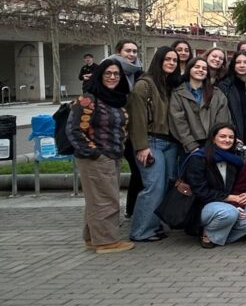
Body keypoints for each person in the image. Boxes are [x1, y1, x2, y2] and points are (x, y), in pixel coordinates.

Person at [68, 58, 133, 254]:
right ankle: (106, 242)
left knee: (96, 199)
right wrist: (93, 152)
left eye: (116, 74)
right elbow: (74, 130)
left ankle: (92, 237)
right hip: (97, 157)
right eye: (108, 73)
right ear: (99, 75)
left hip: (112, 155)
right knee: (107, 199)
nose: (112, 77)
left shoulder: (115, 98)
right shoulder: (88, 99)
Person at [127, 47, 182, 242]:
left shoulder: (171, 85)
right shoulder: (144, 85)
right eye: (167, 59)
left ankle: (154, 225)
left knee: (166, 186)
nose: (171, 63)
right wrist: (141, 146)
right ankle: (140, 231)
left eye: (174, 61)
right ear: (158, 60)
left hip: (170, 143)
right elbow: (137, 118)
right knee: (153, 187)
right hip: (151, 142)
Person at [180, 124, 246, 248]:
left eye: (231, 137)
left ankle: (214, 238)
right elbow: (201, 192)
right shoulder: (198, 159)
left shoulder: (235, 160)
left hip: (229, 204)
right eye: (222, 136)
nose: (227, 140)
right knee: (228, 213)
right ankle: (207, 233)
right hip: (201, 206)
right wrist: (231, 199)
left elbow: (244, 184)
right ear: (213, 138)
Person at [169, 57, 231, 154]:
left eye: (204, 68)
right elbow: (178, 122)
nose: (200, 70)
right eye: (197, 67)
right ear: (189, 69)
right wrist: (191, 146)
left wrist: (216, 143)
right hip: (187, 147)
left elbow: (223, 119)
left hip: (214, 146)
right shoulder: (178, 93)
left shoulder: (217, 93)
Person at [109, 39, 143, 217]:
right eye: (128, 51)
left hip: (132, 131)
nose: (131, 54)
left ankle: (131, 210)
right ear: (118, 51)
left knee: (138, 172)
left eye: (134, 51)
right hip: (115, 132)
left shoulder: (138, 72)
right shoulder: (111, 70)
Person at [216, 51, 246, 155]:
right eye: (238, 62)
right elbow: (223, 115)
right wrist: (232, 136)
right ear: (233, 65)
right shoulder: (225, 86)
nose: (242, 65)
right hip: (235, 139)